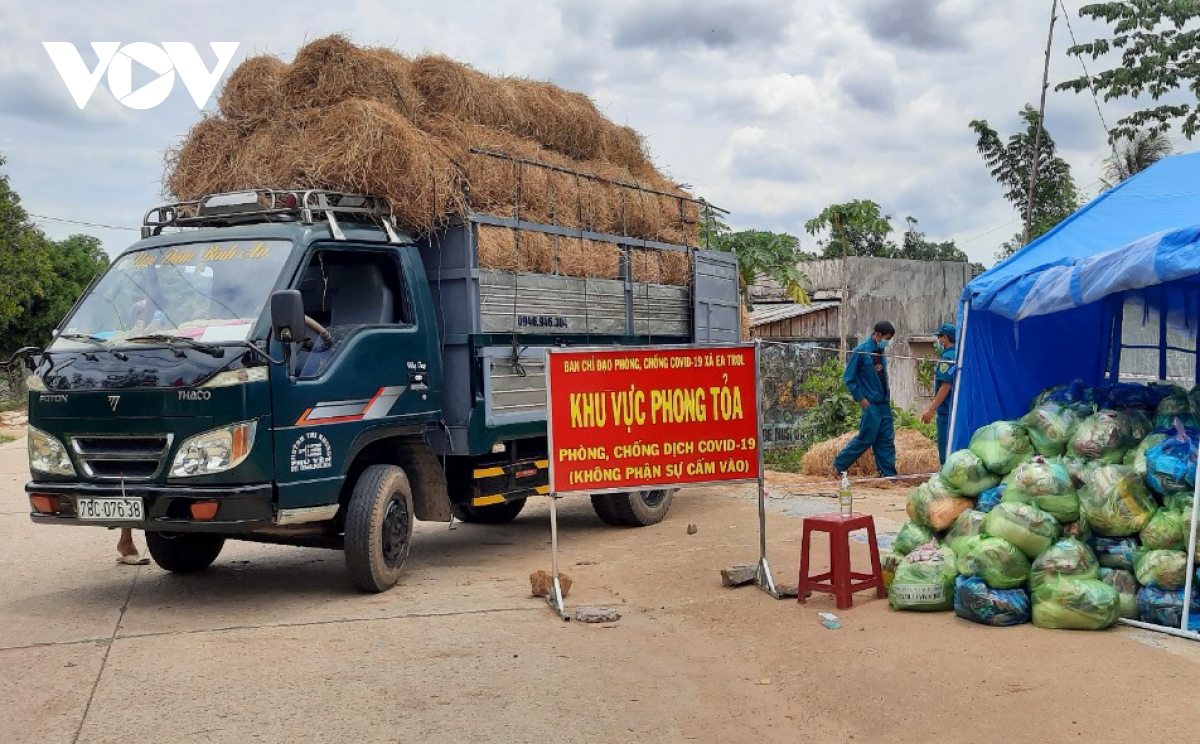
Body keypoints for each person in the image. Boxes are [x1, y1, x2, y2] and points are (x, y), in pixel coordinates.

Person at [834, 321, 897, 478]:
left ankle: (888, 474)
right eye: (885, 338)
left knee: (886, 439)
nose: (886, 342)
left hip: (883, 403)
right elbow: (849, 377)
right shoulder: (860, 352)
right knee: (866, 438)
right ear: (877, 335)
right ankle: (839, 465)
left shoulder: (880, 351)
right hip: (871, 403)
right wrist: (860, 398)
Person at [922, 323, 958, 464]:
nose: (938, 340)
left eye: (939, 337)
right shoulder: (958, 354)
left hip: (946, 411)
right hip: (955, 409)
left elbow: (945, 386)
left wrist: (931, 410)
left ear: (945, 338)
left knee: (945, 449)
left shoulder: (947, 358)